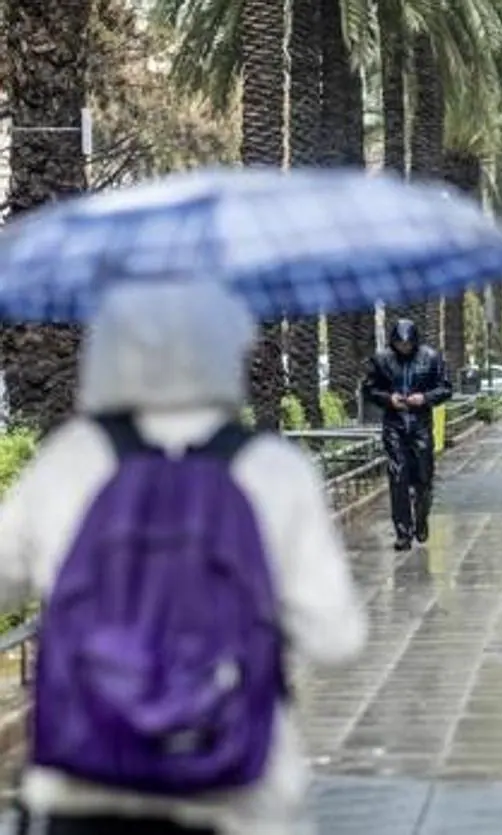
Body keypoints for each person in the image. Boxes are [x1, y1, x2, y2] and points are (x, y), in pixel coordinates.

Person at [0, 281, 367, 835]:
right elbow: (338, 640)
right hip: (237, 792)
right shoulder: (273, 468)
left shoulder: (69, 459)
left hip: (84, 782)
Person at [363, 319, 452, 550]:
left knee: (424, 477)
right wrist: (388, 399)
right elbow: (369, 389)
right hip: (394, 424)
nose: (404, 347)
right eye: (399, 343)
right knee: (398, 476)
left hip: (420, 423)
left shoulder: (431, 357)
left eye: (407, 343)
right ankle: (403, 531)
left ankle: (421, 519)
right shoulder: (382, 360)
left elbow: (445, 388)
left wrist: (424, 398)